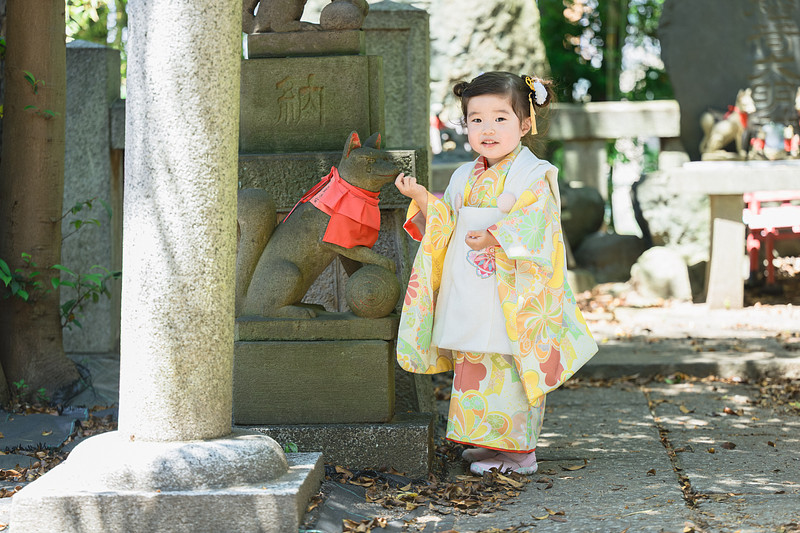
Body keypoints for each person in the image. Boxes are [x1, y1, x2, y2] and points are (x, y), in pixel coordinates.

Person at [395, 71, 598, 475]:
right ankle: (490, 444)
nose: (487, 128)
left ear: (525, 124)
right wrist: (421, 197)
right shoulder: (463, 175)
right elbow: (447, 224)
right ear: (465, 124)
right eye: (476, 119)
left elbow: (538, 224)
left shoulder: (533, 174)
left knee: (510, 364)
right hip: (473, 288)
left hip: (513, 291)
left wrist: (496, 236)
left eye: (501, 118)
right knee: (475, 362)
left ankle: (520, 454)